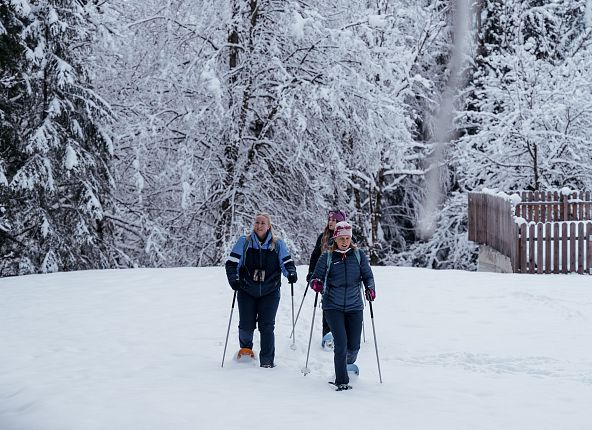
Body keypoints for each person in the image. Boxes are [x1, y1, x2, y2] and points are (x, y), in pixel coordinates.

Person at [225, 213, 298, 368]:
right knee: (246, 325)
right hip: (246, 290)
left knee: (266, 326)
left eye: (263, 223)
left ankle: (267, 361)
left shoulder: (277, 244)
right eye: (257, 222)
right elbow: (232, 264)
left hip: (270, 291)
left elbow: (286, 262)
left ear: (268, 226)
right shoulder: (244, 242)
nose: (259, 225)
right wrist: (234, 279)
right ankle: (246, 351)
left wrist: (291, 273)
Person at [310, 221, 376, 391]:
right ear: (336, 238)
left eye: (347, 238)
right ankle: (341, 380)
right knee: (341, 343)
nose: (345, 241)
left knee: (353, 346)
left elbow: (368, 276)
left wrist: (370, 288)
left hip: (355, 306)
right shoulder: (327, 256)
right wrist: (316, 283)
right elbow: (316, 276)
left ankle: (346, 364)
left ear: (351, 238)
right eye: (341, 238)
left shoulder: (358, 255)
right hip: (333, 306)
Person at [306, 209, 347, 349]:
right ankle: (327, 334)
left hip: (342, 278)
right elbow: (315, 256)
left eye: (335, 220)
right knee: (328, 305)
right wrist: (312, 273)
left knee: (343, 306)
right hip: (325, 278)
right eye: (330, 219)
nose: (332, 222)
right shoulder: (322, 237)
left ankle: (343, 334)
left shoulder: (346, 237)